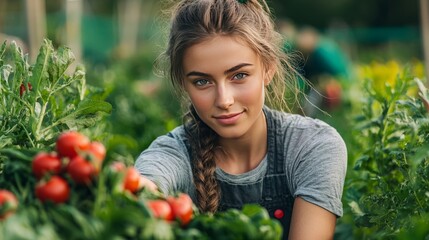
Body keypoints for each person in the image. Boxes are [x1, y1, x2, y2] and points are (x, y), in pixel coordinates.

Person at [135, 0, 347, 239]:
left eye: (239, 75)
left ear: (268, 69)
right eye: (202, 81)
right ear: (185, 84)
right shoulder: (174, 153)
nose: (224, 100)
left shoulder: (312, 146)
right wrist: (134, 191)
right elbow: (147, 180)